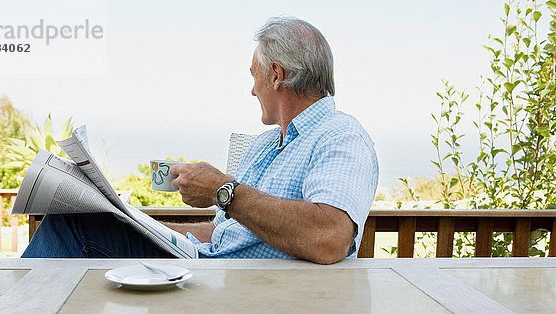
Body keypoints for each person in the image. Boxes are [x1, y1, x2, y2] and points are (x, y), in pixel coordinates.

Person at [22, 16, 378, 265]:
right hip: (208, 262)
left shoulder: (339, 135)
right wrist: (139, 223)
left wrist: (224, 190)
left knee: (73, 228)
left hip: (242, 284)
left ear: (275, 75)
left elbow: (331, 236)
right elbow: (226, 233)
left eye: (254, 76)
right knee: (81, 220)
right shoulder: (267, 145)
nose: (251, 89)